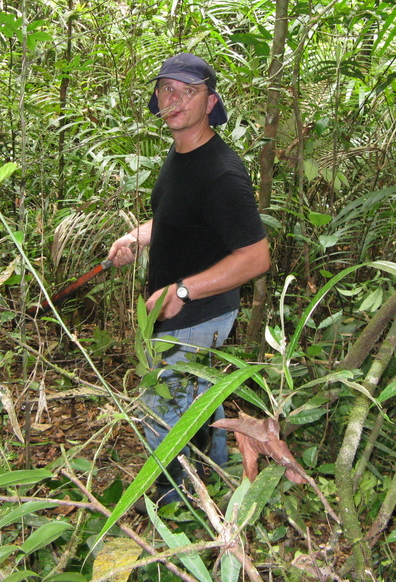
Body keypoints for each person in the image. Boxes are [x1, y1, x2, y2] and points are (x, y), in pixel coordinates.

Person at [107, 53, 270, 507]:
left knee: (163, 408)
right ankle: (214, 473)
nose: (173, 98)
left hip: (197, 312)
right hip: (181, 310)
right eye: (166, 89)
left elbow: (256, 257)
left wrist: (183, 290)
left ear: (210, 101)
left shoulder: (222, 173)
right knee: (196, 392)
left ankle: (170, 504)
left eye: (187, 90)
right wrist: (137, 237)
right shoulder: (182, 152)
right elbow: (180, 218)